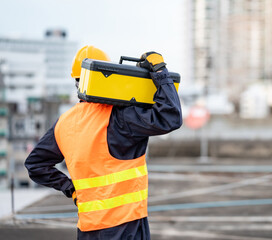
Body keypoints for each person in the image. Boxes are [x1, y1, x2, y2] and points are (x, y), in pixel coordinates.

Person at [25, 45, 182, 240]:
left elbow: (35, 165)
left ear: (77, 81)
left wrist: (70, 189)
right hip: (127, 226)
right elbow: (171, 117)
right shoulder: (120, 117)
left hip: (88, 229)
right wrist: (160, 72)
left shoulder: (64, 123)